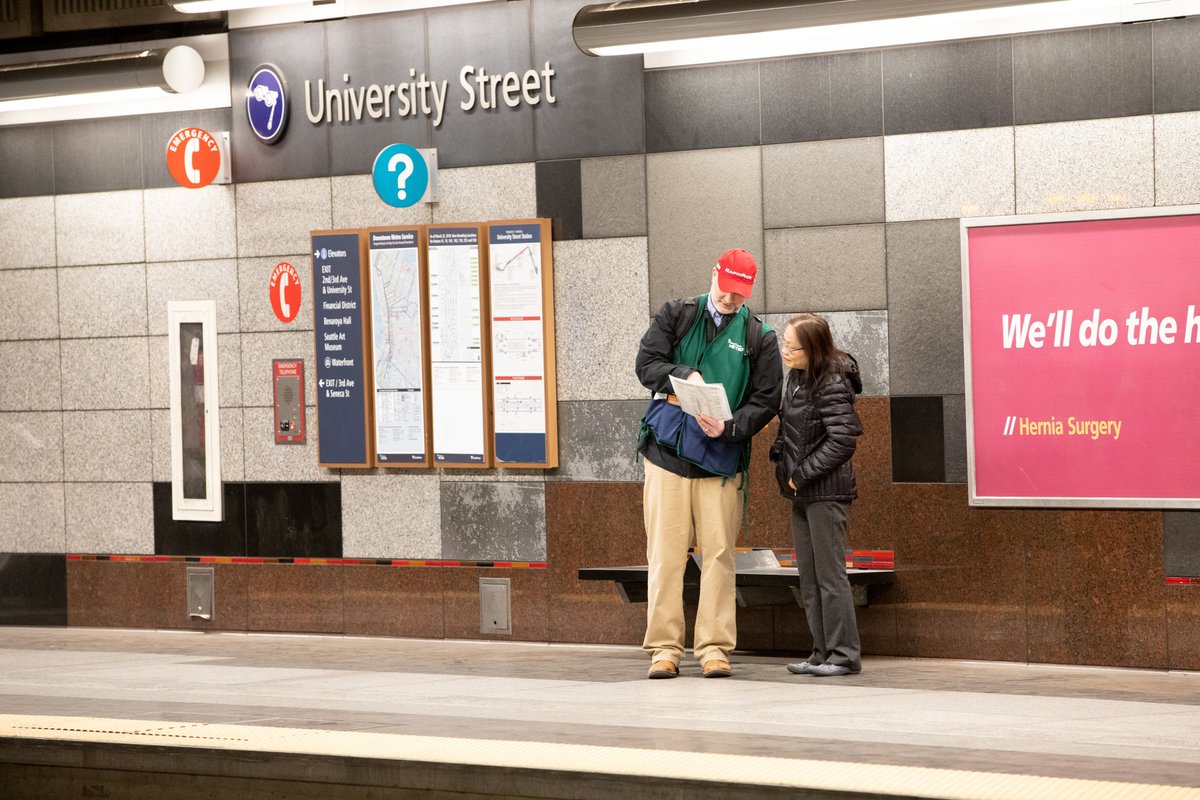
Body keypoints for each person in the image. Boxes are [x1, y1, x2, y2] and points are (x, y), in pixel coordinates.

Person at [635, 248, 783, 679]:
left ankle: (714, 648)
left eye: (740, 295)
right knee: (665, 554)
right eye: (726, 290)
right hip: (667, 453)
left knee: (718, 555)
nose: (730, 300)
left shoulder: (760, 337)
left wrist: (733, 426)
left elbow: (767, 399)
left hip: (721, 459)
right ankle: (664, 648)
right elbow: (646, 365)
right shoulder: (676, 314)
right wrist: (685, 374)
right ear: (714, 274)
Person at [770, 313, 864, 677]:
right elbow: (792, 426)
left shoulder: (832, 380)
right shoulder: (796, 377)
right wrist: (780, 453)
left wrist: (801, 475)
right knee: (808, 577)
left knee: (830, 576)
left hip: (826, 492)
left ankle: (843, 655)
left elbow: (843, 441)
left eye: (791, 347)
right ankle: (821, 652)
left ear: (812, 348)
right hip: (802, 491)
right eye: (784, 343)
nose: (785, 351)